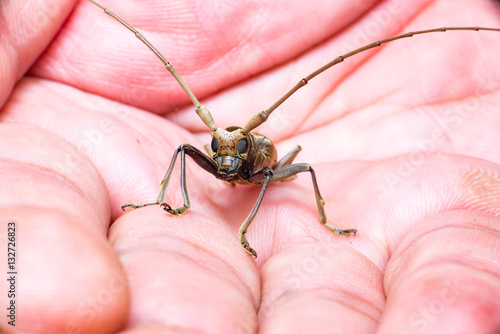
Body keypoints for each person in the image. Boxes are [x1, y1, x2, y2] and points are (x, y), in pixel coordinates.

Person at [1, 0, 500, 332]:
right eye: (220, 152)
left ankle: (316, 219)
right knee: (180, 152)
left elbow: (265, 177)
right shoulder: (217, 150)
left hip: (272, 165)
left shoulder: (255, 161)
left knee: (299, 170)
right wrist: (171, 198)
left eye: (228, 153)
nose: (222, 160)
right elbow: (195, 150)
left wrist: (247, 227)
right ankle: (162, 203)